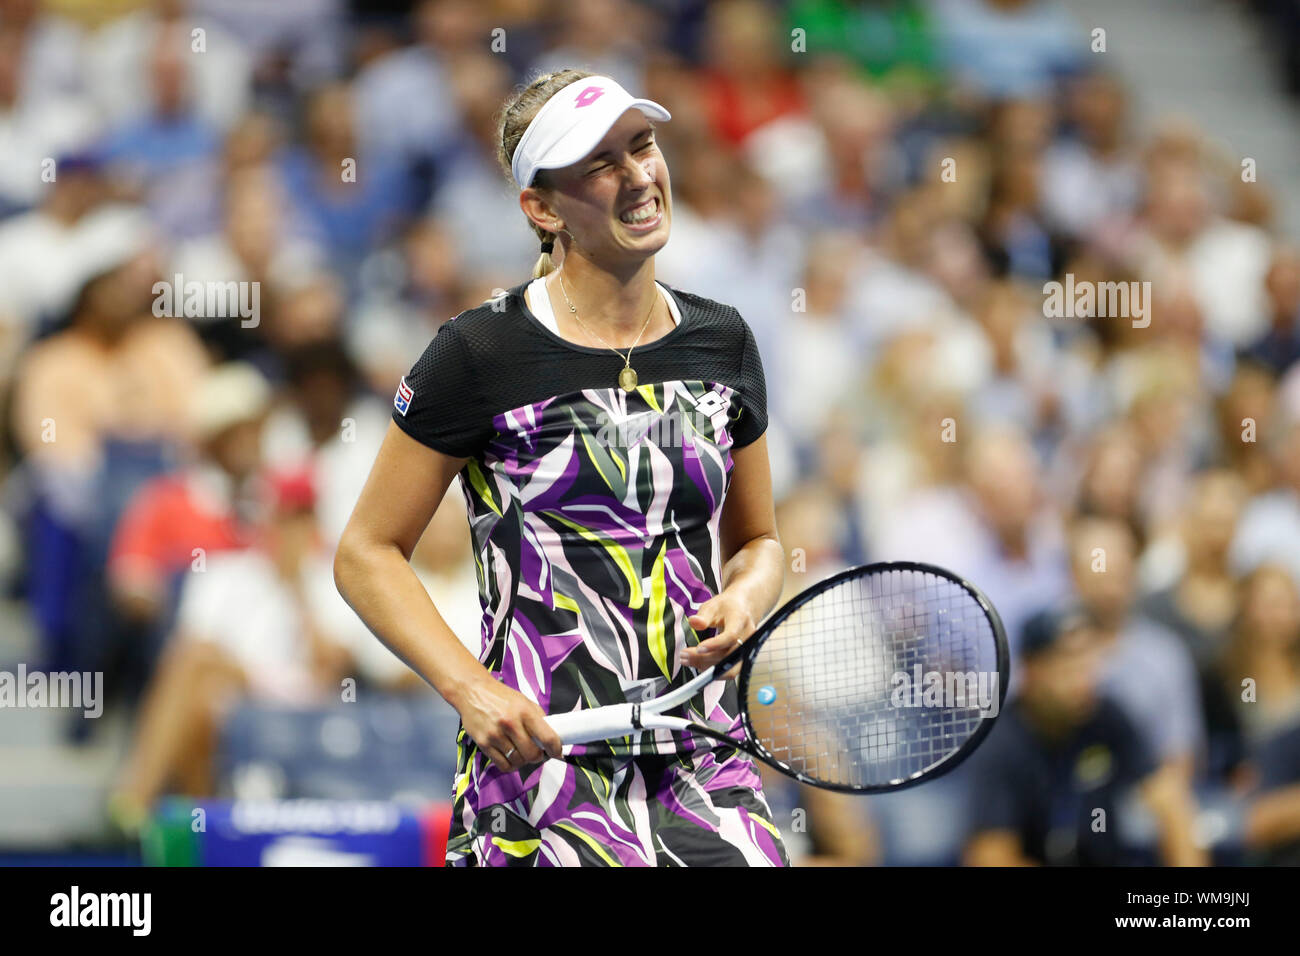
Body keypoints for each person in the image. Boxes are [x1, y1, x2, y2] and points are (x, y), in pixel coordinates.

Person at [334, 69, 789, 866]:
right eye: (600, 164)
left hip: (702, 758)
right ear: (542, 209)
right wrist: (471, 690)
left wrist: (746, 597)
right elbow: (365, 554)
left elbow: (758, 538)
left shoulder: (725, 341)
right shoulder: (478, 353)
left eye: (642, 145)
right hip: (540, 775)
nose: (640, 175)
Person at [964, 606, 1206, 866]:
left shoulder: (1105, 715)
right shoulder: (1002, 740)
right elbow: (989, 857)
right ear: (1031, 670)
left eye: (1087, 661)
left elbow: (1170, 801)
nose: (1083, 679)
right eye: (1067, 664)